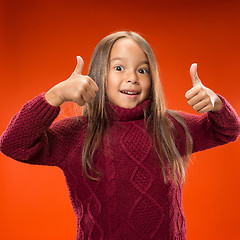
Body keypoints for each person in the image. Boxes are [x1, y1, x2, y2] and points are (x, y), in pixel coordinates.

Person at [0, 31, 240, 240]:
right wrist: (54, 96)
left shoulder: (171, 127)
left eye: (143, 70)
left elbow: (227, 130)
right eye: (118, 67)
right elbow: (14, 144)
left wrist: (216, 104)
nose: (132, 77)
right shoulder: (76, 134)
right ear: (97, 76)